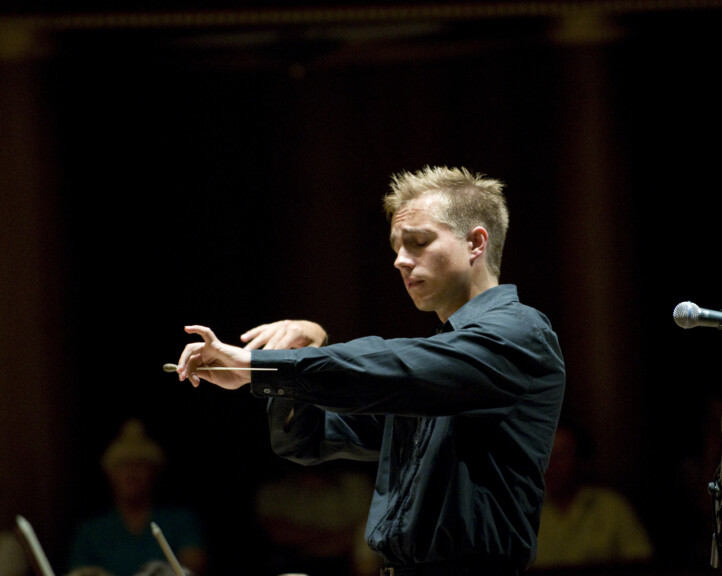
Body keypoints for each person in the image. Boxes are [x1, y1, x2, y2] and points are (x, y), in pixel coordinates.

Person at [174, 166, 566, 575]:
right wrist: (302, 349)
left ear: (475, 242)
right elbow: (307, 440)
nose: (399, 260)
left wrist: (260, 365)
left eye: (417, 242)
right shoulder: (433, 363)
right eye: (397, 247)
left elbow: (401, 367)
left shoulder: (518, 334)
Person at [68, 419, 208, 576]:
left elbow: (193, 566)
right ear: (110, 474)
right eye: (123, 466)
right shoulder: (90, 532)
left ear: (154, 472)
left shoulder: (181, 522)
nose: (131, 474)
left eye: (139, 465)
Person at [531, 424, 653, 570]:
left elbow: (641, 562)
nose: (551, 464)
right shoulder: (524, 510)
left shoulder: (612, 507)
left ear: (581, 461)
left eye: (561, 455)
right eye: (545, 455)